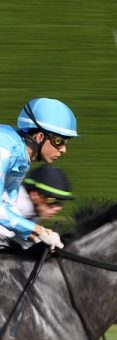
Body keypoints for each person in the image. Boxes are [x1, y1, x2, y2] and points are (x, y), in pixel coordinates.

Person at [0, 98, 78, 251]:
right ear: (39, 137)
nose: (63, 150)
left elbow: (8, 204)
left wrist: (37, 239)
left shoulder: (22, 159)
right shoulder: (5, 151)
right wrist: (38, 230)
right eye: (58, 141)